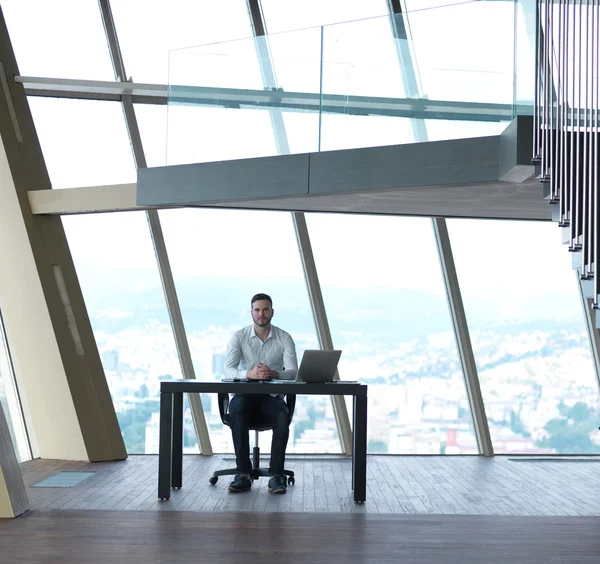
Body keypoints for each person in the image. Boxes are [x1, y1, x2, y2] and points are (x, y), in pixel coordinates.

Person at [223, 293, 298, 494]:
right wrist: (249, 373)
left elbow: (293, 373)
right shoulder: (239, 337)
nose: (261, 314)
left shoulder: (284, 338)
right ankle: (243, 473)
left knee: (282, 413)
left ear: (272, 312)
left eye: (265, 310)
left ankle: (276, 475)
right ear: (251, 313)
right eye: (257, 310)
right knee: (236, 408)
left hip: (271, 397)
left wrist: (274, 373)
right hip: (244, 395)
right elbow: (228, 371)